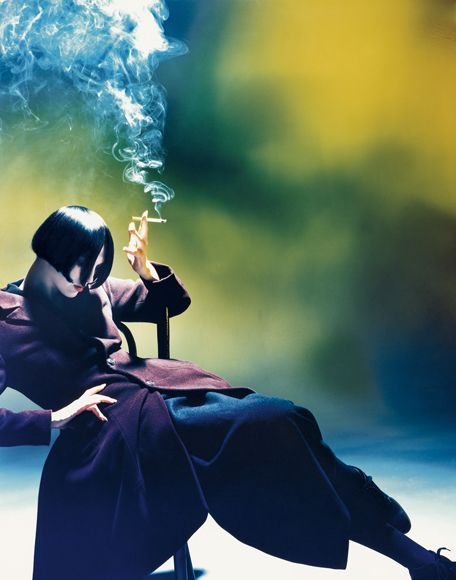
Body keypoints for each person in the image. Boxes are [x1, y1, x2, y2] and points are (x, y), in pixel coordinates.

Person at [0, 205, 454, 580]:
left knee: (282, 421)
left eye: (100, 270)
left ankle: (413, 557)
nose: (89, 282)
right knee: (268, 429)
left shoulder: (93, 289)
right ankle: (412, 554)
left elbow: (168, 304)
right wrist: (53, 418)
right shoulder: (5, 318)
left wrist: (146, 272)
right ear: (53, 250)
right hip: (114, 431)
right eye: (84, 269)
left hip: (168, 394)